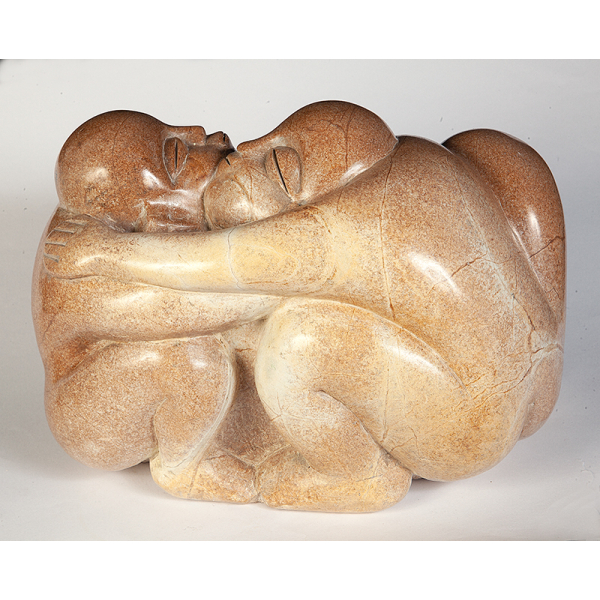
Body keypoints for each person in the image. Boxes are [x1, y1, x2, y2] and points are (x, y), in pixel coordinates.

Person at [40, 101, 565, 512]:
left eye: (277, 163)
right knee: (190, 358)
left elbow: (244, 273)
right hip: (524, 385)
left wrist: (107, 250)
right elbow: (204, 304)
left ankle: (357, 476)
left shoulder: (340, 227)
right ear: (159, 213)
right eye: (178, 154)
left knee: (301, 335)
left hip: (466, 427)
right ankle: (184, 465)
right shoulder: (417, 164)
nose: (225, 140)